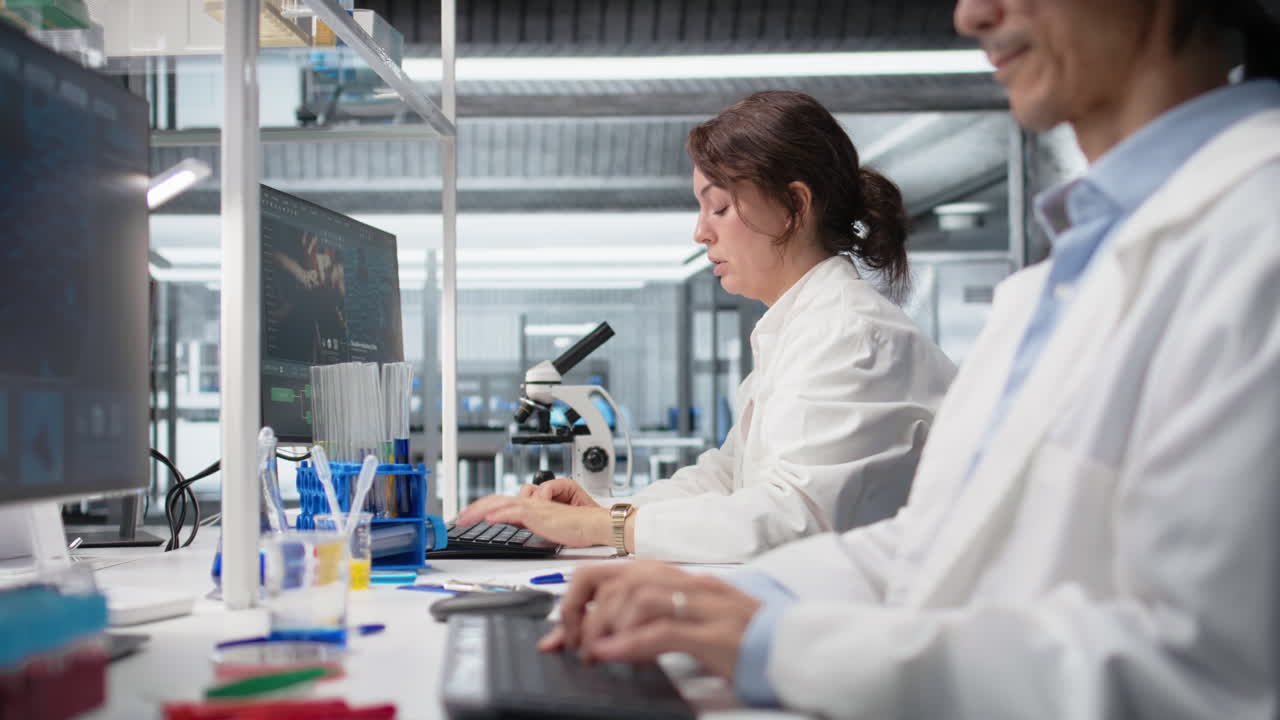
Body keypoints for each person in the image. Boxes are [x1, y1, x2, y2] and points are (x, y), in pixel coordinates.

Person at [542, 1, 1280, 718]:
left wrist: (777, 637)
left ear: (792, 207)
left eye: (720, 206)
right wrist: (738, 601)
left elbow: (1214, 671)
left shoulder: (1256, 239)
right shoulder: (1064, 277)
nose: (970, 15)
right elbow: (936, 541)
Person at [460, 91, 957, 563]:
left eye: (719, 207)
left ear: (795, 207)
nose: (701, 231)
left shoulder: (849, 335)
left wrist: (603, 529)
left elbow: (795, 518)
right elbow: (728, 479)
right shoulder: (800, 328)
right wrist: (602, 512)